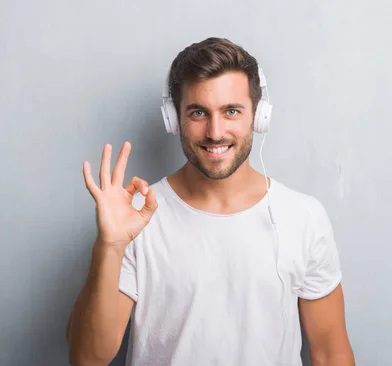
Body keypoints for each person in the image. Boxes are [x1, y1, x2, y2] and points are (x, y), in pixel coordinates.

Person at [66, 37, 355, 366]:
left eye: (231, 111)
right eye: (198, 112)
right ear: (174, 119)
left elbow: (331, 353)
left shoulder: (303, 217)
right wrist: (110, 246)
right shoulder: (135, 220)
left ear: (258, 117)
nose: (215, 132)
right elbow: (86, 359)